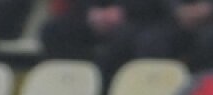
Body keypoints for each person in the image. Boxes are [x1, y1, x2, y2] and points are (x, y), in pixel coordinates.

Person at [40, 0, 168, 79]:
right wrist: (94, 13)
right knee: (54, 30)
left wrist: (123, 11)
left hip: (139, 18)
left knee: (124, 40)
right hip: (98, 16)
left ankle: (101, 92)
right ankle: (69, 85)